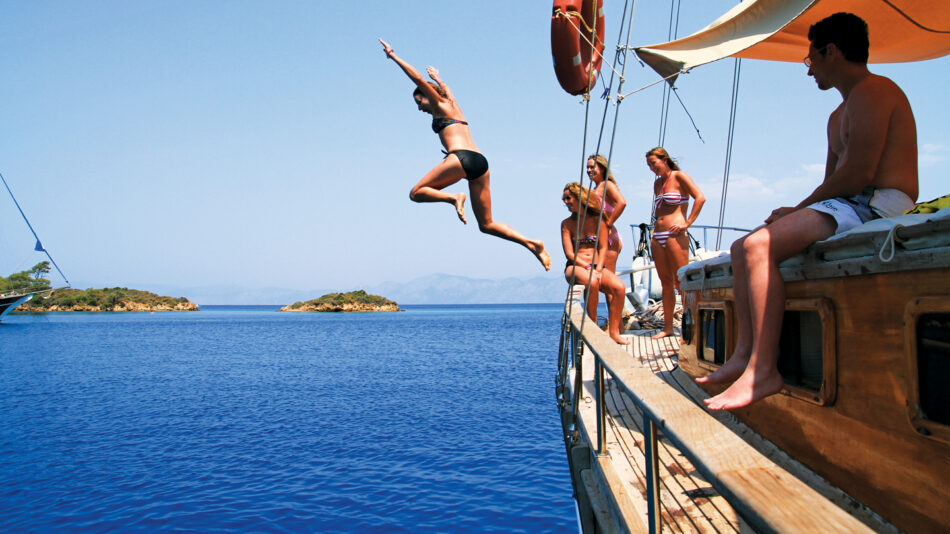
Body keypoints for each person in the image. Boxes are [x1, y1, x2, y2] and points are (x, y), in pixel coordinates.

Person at [699, 12, 918, 411]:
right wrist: (797, 212)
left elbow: (858, 174)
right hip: (851, 203)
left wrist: (799, 210)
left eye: (810, 58)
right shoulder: (837, 117)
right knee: (739, 248)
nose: (809, 69)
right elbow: (834, 182)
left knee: (757, 248)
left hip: (878, 202)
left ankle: (764, 370)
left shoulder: (875, 91)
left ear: (831, 51)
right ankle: (745, 356)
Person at [379, 39, 551, 271]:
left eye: (418, 101)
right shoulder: (453, 103)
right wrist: (439, 79)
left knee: (416, 193)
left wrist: (393, 57)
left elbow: (418, 79)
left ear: (427, 95)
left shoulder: (440, 104)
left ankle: (454, 198)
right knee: (487, 224)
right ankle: (532, 244)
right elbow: (447, 89)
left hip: (459, 158)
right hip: (480, 162)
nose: (418, 107)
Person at [645, 147, 705, 340]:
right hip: (658, 235)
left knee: (682, 282)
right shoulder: (657, 184)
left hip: (675, 234)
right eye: (648, 165)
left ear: (664, 160)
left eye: (653, 163)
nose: (651, 167)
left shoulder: (679, 176)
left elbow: (700, 198)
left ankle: (691, 328)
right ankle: (668, 327)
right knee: (665, 283)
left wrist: (687, 223)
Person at [561, 182, 630, 345]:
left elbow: (604, 247)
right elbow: (570, 253)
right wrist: (586, 266)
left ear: (580, 198)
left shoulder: (599, 220)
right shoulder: (566, 224)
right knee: (591, 282)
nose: (565, 202)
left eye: (568, 198)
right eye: (564, 199)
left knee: (619, 288)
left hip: (596, 265)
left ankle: (614, 331)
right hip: (575, 267)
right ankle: (592, 327)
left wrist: (598, 268)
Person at [585, 154, 627, 317]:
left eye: (592, 167)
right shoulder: (596, 188)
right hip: (600, 239)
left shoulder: (607, 185)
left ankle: (617, 327)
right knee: (603, 283)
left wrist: (608, 224)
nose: (589, 170)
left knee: (609, 284)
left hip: (609, 238)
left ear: (602, 168)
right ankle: (615, 324)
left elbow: (622, 202)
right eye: (587, 167)